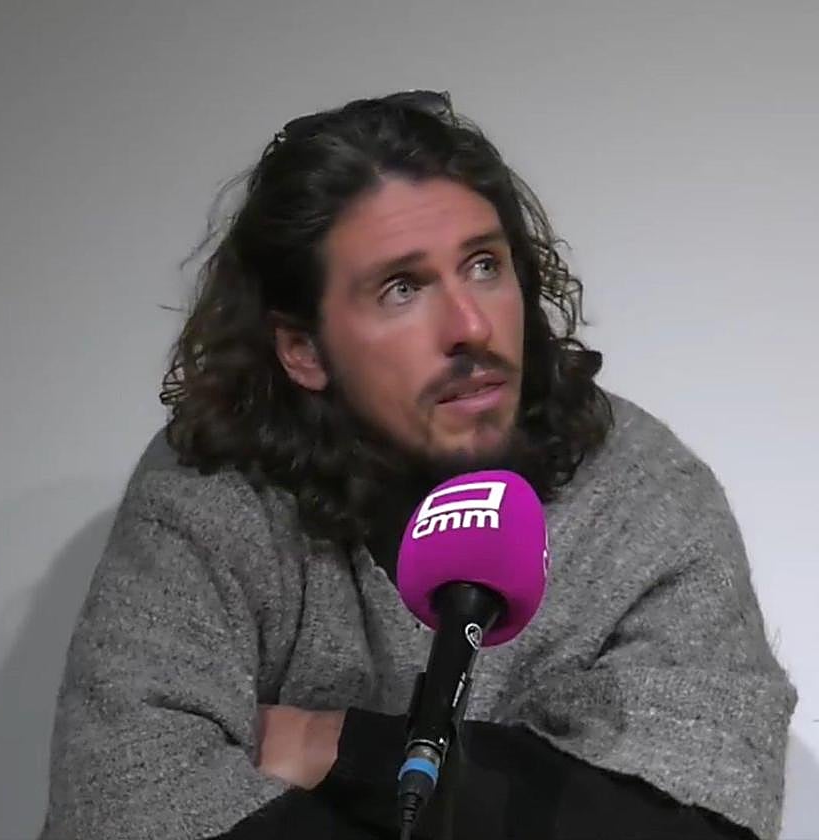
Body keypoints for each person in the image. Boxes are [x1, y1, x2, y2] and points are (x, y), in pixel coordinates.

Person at [39, 90, 796, 839]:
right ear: (303, 349)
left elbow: (707, 817)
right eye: (402, 288)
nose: (471, 326)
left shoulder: (637, 487)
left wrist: (338, 750)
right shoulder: (216, 488)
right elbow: (122, 805)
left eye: (484, 265)